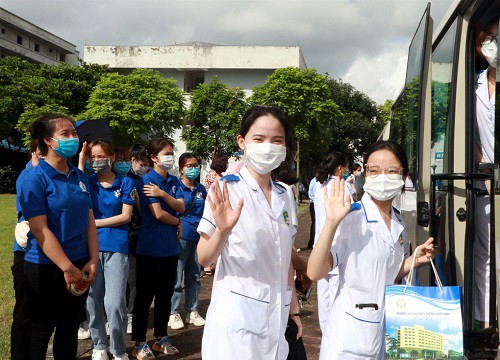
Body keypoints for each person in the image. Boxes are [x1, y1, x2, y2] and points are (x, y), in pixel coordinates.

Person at [307, 140, 435, 359]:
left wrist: (413, 260)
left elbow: (388, 274)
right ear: (366, 174)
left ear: (403, 175)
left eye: (391, 170)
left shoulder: (399, 221)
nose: (382, 176)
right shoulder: (352, 218)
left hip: (387, 332)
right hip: (350, 338)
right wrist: (330, 224)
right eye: (374, 170)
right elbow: (315, 272)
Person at [197, 105, 302, 360]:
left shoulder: (284, 194)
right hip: (237, 322)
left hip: (277, 317)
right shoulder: (226, 190)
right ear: (242, 142)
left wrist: (294, 309)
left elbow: (284, 256)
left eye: (277, 140)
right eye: (259, 139)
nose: (268, 146)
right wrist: (223, 230)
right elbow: (203, 257)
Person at [19, 113, 99, 359]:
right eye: (65, 134)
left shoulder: (79, 176)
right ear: (48, 140)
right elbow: (40, 229)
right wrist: (66, 267)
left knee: (69, 328)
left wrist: (93, 259)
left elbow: (89, 221)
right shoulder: (34, 178)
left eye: (74, 133)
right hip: (45, 266)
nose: (73, 138)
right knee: (40, 330)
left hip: (79, 261)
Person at [82, 139, 136, 360]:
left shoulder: (126, 184)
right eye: (92, 157)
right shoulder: (86, 182)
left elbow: (126, 216)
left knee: (114, 302)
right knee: (92, 299)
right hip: (90, 248)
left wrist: (95, 223)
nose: (96, 161)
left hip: (116, 247)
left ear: (111, 158)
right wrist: (80, 160)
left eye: (100, 156)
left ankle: (119, 349)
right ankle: (99, 344)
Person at [131, 138, 184, 359]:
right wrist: (178, 221)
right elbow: (158, 214)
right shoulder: (147, 180)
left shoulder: (172, 181)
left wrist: (163, 195)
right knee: (144, 297)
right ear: (153, 157)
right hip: (150, 248)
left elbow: (181, 205)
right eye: (166, 153)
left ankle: (161, 337)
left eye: (172, 152)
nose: (170, 157)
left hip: (170, 248)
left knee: (165, 295)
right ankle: (139, 342)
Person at [474, 15, 498, 329]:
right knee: (486, 252)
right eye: (492, 36)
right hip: (485, 183)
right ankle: (485, 322)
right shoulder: (472, 86)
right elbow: (471, 137)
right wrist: (484, 171)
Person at [11, 141, 45, 360]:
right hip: (27, 252)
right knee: (24, 312)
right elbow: (25, 208)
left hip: (49, 256)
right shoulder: (29, 174)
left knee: (41, 317)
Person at [168, 153, 207, 330]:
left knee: (194, 275)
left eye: (196, 165)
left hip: (198, 237)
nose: (194, 168)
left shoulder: (201, 189)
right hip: (179, 236)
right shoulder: (175, 187)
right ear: (182, 168)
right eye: (190, 165)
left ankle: (193, 310)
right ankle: (173, 312)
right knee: (176, 276)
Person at [313, 151, 350, 333]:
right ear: (339, 168)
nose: (347, 170)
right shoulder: (343, 187)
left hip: (320, 244)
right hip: (336, 246)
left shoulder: (320, 187)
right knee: (336, 294)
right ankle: (333, 332)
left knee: (323, 295)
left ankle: (324, 330)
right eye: (346, 166)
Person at [126, 144, 149, 334]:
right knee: (129, 278)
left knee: (137, 278)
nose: (144, 168)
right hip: (126, 233)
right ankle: (125, 313)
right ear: (133, 161)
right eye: (142, 164)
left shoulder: (146, 181)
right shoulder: (126, 181)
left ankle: (132, 313)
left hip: (142, 233)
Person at [307, 172, 318, 249]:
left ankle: (312, 241)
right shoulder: (315, 183)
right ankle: (312, 242)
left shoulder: (313, 181)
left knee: (314, 222)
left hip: (313, 204)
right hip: (314, 204)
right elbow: (315, 194)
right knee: (315, 223)